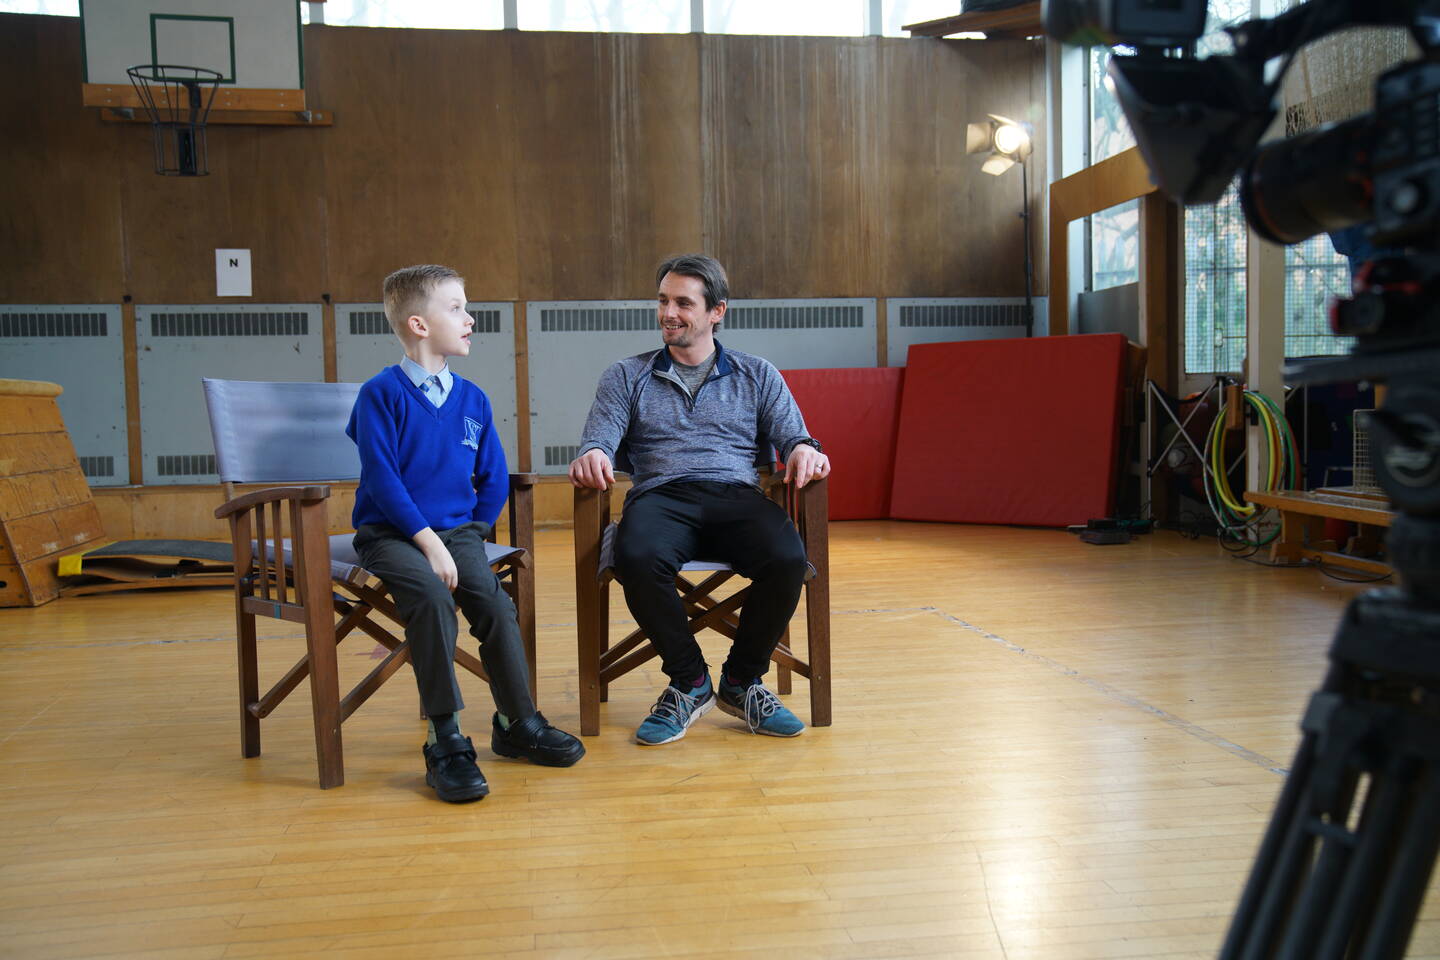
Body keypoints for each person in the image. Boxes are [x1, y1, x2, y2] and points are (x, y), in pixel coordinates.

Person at [569, 253, 831, 746]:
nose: (669, 312)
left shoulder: (757, 374)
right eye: (663, 300)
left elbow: (796, 437)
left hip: (735, 495)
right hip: (661, 495)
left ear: (717, 312)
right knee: (637, 555)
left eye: (683, 303)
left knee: (787, 557)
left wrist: (803, 451)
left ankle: (740, 682)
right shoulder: (626, 375)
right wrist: (593, 455)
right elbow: (597, 440)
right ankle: (689, 682)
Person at [348, 264, 584, 803]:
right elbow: (382, 481)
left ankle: (518, 722)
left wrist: (471, 531)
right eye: (456, 308)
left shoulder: (473, 398)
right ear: (419, 325)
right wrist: (428, 541)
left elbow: (494, 476)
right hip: (390, 534)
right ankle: (445, 738)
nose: (470, 318)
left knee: (495, 607)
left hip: (458, 533)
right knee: (431, 597)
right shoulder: (379, 396)